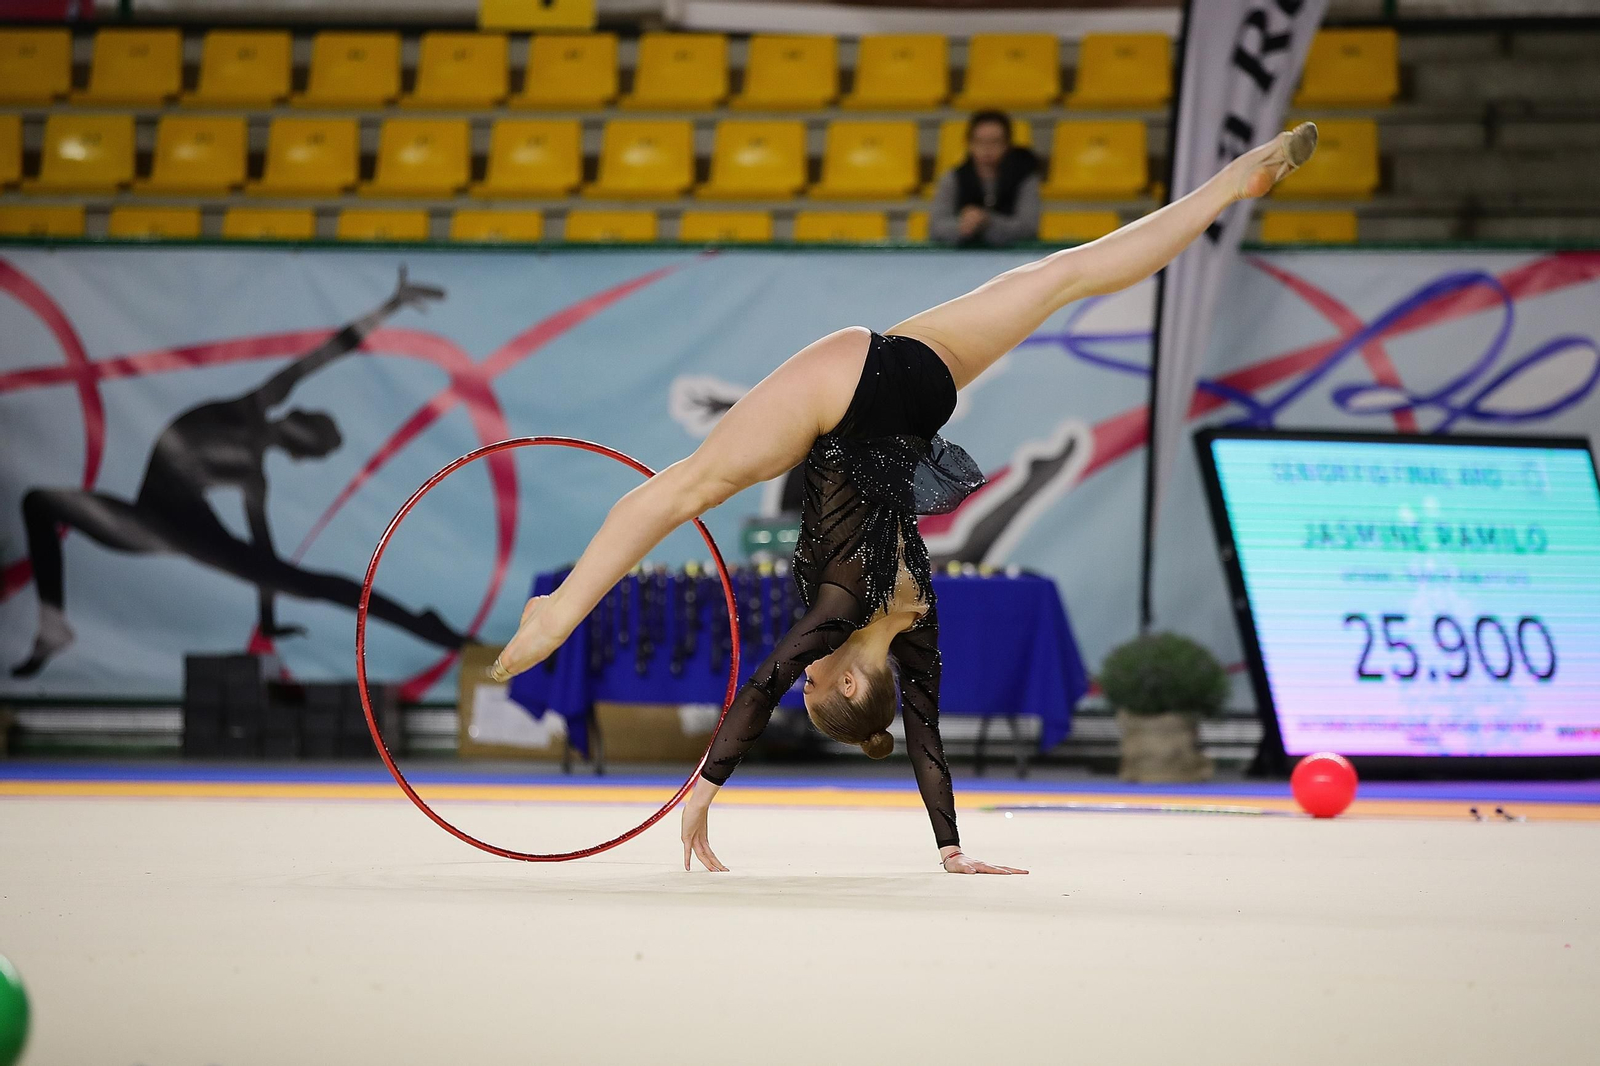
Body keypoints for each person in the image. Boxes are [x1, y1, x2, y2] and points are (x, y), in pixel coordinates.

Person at [492, 124, 1319, 874]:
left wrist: (952, 847)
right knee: (684, 489)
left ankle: (1229, 184)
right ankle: (557, 615)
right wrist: (703, 791)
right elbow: (759, 687)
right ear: (850, 683)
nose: (805, 674)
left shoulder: (915, 622)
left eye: (806, 686)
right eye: (818, 687)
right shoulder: (843, 609)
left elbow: (925, 734)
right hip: (845, 397)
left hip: (920, 398)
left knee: (1060, 275)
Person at [11, 268, 464, 678]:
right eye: (305, 418)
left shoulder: (253, 476)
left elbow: (263, 558)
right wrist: (389, 306)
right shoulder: (255, 407)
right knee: (39, 502)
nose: (298, 418)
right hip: (146, 520)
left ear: (298, 447)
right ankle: (53, 624)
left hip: (182, 528)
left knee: (310, 584)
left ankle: (425, 626)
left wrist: (267, 619)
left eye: (306, 430)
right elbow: (327, 354)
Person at [929, 110, 1042, 248]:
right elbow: (936, 228)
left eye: (995, 141)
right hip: (960, 261)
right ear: (969, 143)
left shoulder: (1024, 178)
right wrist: (964, 225)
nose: (987, 149)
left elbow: (1029, 228)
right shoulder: (953, 178)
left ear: (1007, 144)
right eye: (980, 141)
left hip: (1014, 261)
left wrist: (987, 221)